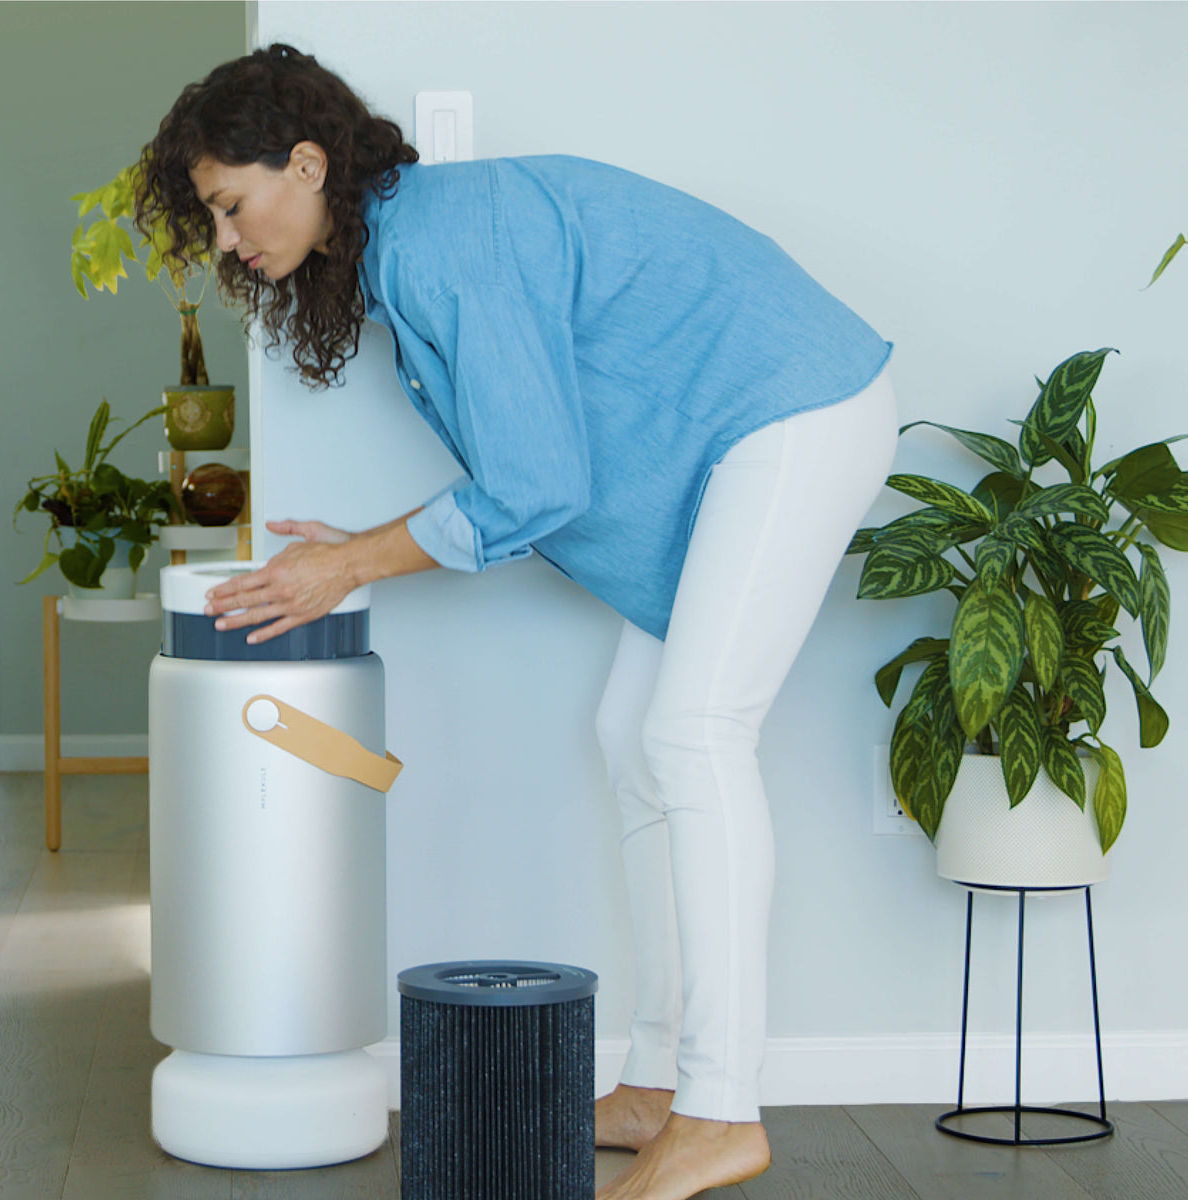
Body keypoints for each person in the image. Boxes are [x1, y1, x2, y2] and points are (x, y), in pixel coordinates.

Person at [137, 43, 898, 1200]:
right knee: (632, 740)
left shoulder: (446, 243)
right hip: (733, 441)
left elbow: (537, 486)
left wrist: (347, 565)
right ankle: (655, 1083)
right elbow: (518, 476)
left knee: (692, 736)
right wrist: (348, 547)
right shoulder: (403, 257)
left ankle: (722, 1108)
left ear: (305, 161)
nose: (233, 241)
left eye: (234, 207)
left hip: (795, 406)